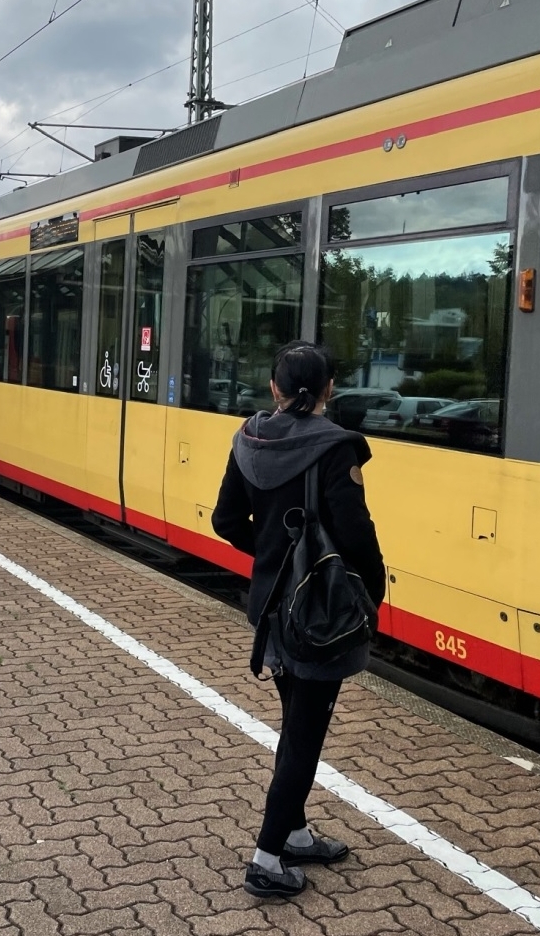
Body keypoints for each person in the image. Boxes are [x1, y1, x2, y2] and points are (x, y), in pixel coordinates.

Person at [211, 342, 385, 900]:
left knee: (296, 724)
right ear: (329, 388)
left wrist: (270, 555)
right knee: (305, 738)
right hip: (320, 613)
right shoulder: (336, 448)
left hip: (270, 607)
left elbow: (225, 520)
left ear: (274, 387)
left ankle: (297, 833)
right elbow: (357, 536)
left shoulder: (249, 438)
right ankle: (266, 860)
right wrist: (371, 594)